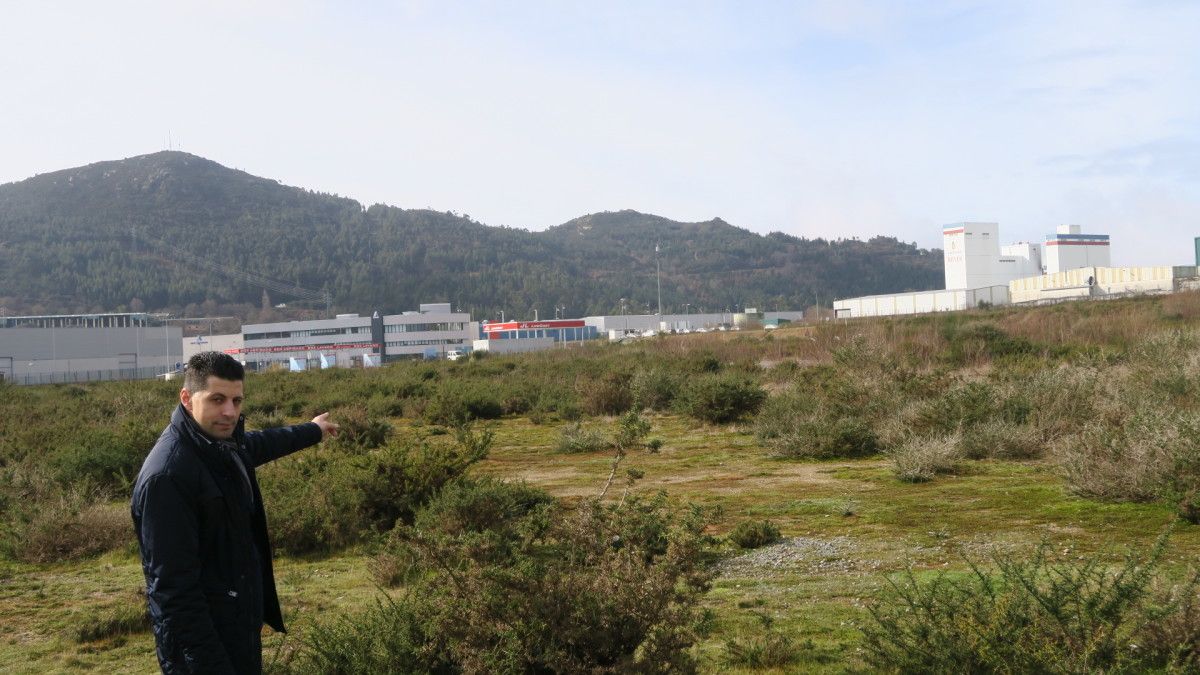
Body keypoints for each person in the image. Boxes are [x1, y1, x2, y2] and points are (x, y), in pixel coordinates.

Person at [131, 351, 339, 674]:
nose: (229, 412)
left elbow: (261, 444)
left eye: (236, 401)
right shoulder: (168, 478)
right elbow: (176, 597)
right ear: (186, 398)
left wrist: (312, 430)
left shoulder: (220, 445)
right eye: (217, 399)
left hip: (236, 627)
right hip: (202, 652)